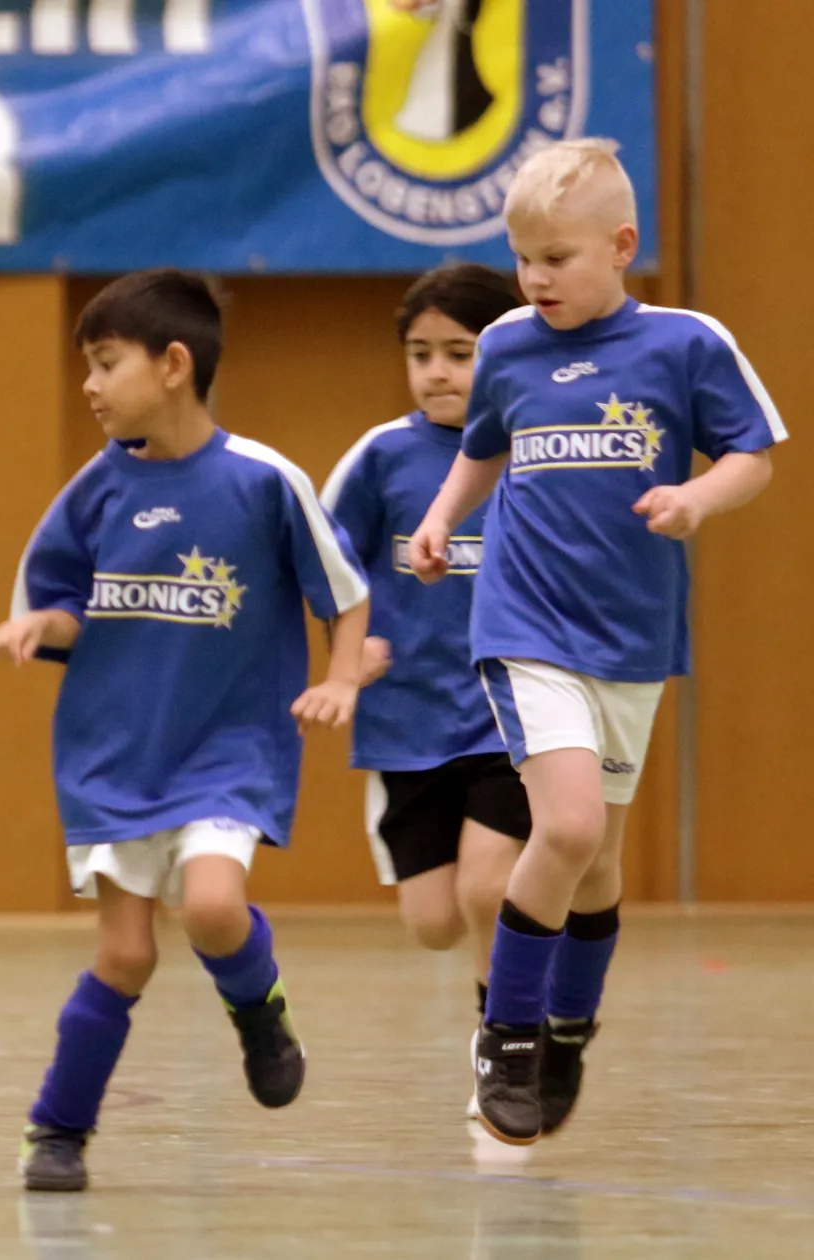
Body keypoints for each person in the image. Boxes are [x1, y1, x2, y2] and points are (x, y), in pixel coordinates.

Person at [409, 139, 785, 1145]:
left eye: (556, 258)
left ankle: (569, 1025)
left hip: (628, 634)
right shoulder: (505, 344)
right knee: (567, 829)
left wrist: (696, 497)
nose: (534, 279)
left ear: (620, 247)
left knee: (600, 861)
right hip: (523, 622)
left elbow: (752, 454)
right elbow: (483, 447)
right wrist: (441, 517)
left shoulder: (684, 344)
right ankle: (506, 1036)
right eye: (522, 258)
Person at [0, 269, 370, 1192]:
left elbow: (345, 594)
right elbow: (63, 604)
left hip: (228, 751)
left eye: (104, 363)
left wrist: (342, 678)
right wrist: (42, 626)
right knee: (124, 954)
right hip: (115, 757)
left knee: (211, 908)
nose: (89, 385)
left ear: (172, 365)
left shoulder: (264, 481)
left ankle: (258, 1009)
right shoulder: (93, 493)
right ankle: (58, 1130)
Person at [321, 265, 531, 1056]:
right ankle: (525, 951)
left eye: (459, 353)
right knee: (434, 921)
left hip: (512, 709)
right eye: (421, 354)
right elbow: (323, 566)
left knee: (487, 888)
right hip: (408, 720)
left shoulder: (536, 450)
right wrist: (349, 650)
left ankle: (506, 1044)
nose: (437, 371)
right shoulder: (381, 456)